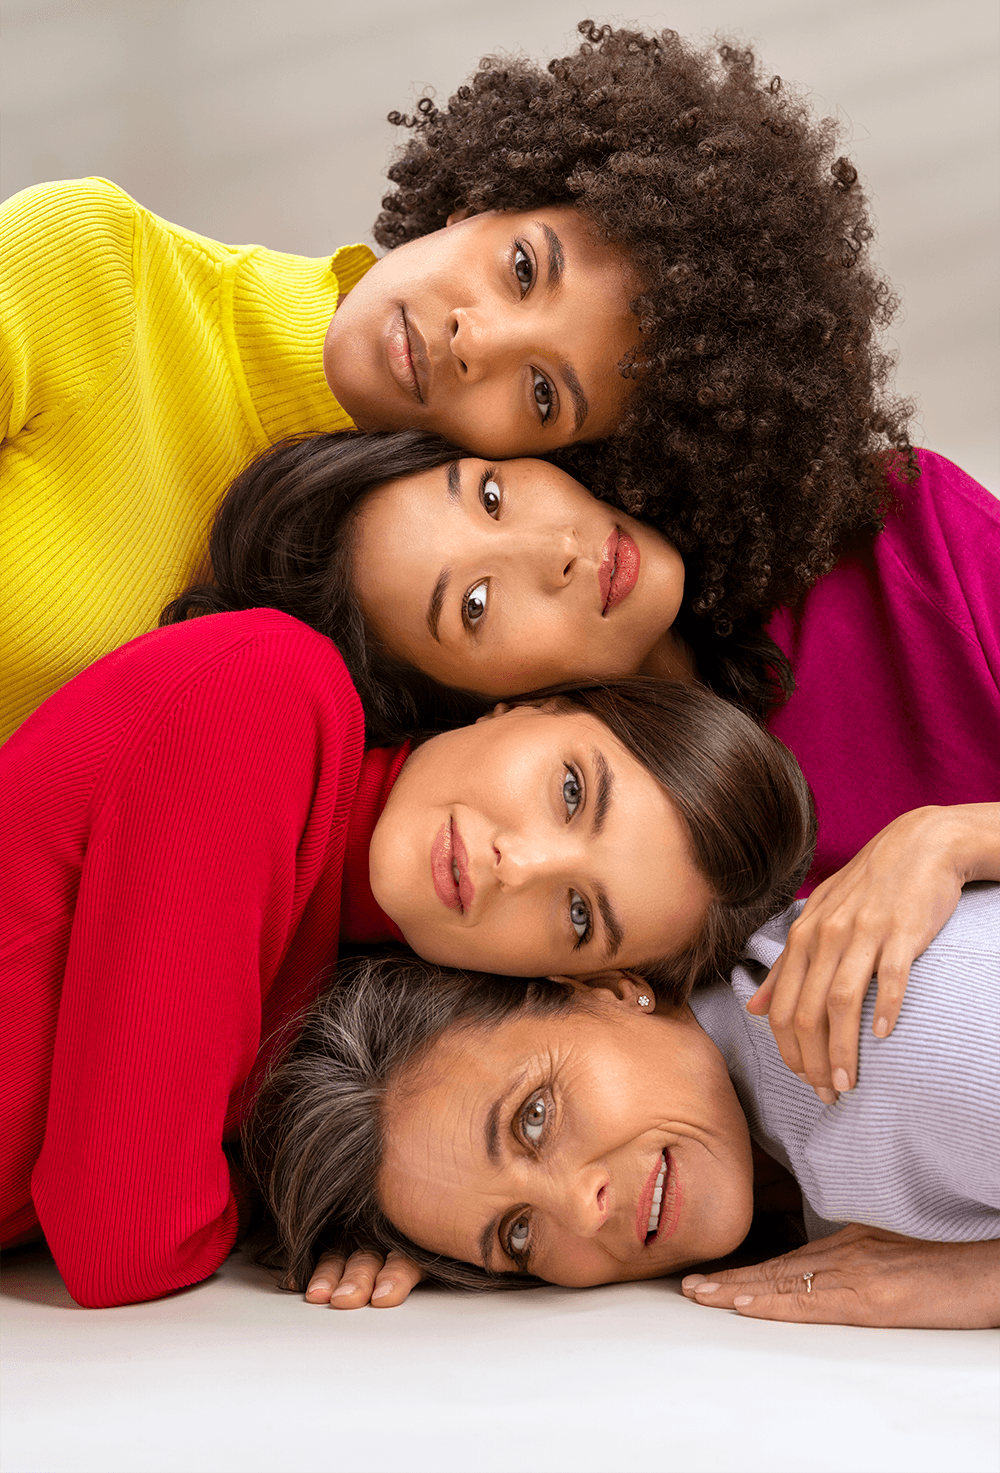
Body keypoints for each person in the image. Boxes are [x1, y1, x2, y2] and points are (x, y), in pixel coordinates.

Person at [1, 23, 909, 741]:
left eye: (546, 394)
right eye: (524, 267)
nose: (478, 340)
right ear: (478, 196)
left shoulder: (431, 636)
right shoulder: (91, 270)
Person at [0, 606, 813, 1307]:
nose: (518, 864)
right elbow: (123, 1239)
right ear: (527, 704)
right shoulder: (269, 699)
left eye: (576, 914)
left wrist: (399, 1199)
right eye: (570, 792)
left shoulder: (320, 997)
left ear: (576, 976)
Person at [165, 429, 1000, 1110]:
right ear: (468, 706)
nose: (555, 550)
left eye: (490, 494)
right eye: (476, 607)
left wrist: (953, 840)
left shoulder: (892, 544)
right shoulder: (504, 900)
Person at [249, 879, 1000, 1330]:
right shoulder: (785, 1118)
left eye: (533, 1118)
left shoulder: (894, 1035)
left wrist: (970, 1282)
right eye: (516, 1236)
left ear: (611, 990)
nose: (581, 1212)